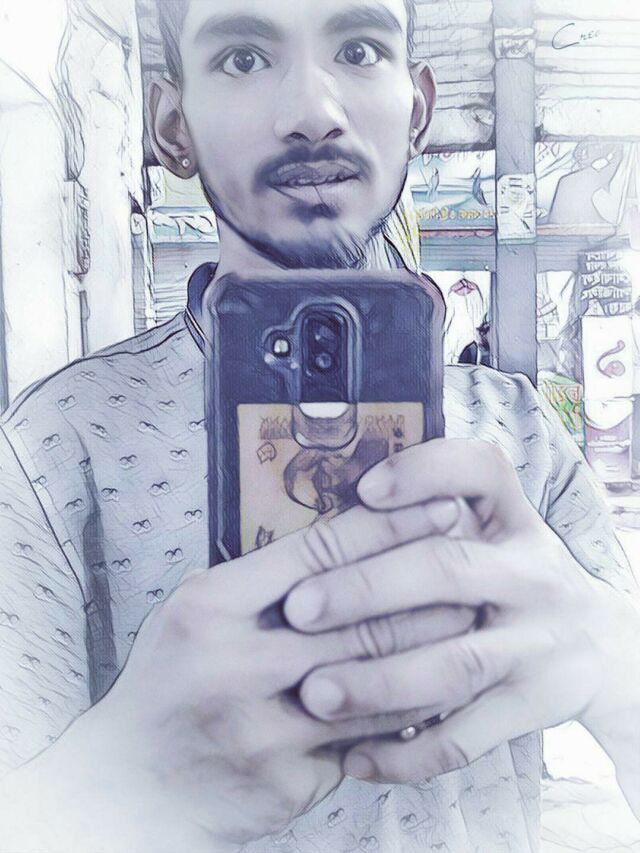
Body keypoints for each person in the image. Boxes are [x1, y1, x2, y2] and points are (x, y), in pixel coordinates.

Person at [0, 1, 639, 851]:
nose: (312, 111)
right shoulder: (53, 448)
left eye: (360, 48)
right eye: (242, 57)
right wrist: (111, 787)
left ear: (417, 111)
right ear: (171, 126)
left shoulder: (520, 430)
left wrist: (615, 667)